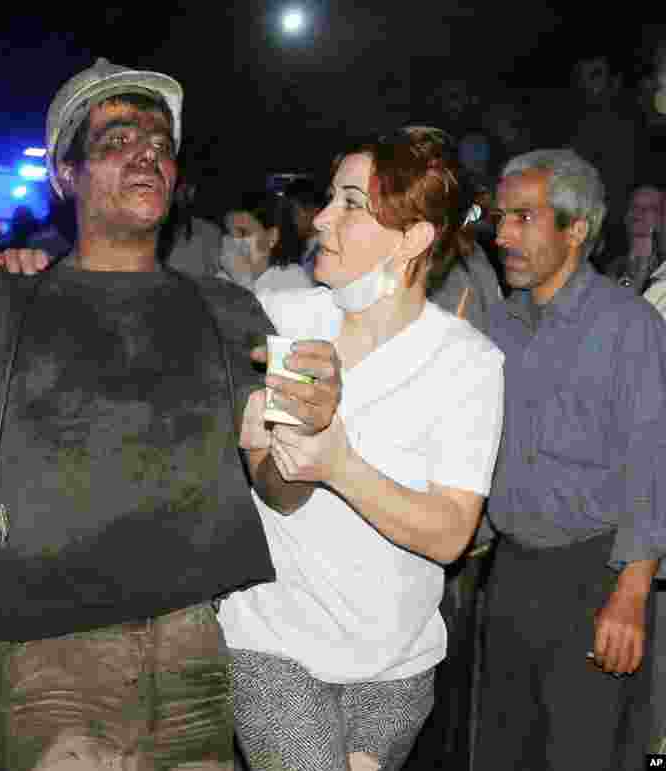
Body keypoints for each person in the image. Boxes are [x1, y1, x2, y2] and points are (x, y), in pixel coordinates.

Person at [0, 57, 341, 771]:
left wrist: (310, 430)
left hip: (197, 659)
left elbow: (281, 486)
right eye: (118, 140)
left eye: (162, 144)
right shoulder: (6, 299)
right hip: (50, 665)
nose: (148, 153)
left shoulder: (228, 311)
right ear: (65, 174)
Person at [217, 126, 506, 771]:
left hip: (397, 667)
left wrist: (342, 466)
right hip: (275, 643)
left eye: (351, 203)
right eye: (330, 198)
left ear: (413, 238)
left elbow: (451, 535)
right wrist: (279, 449)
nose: (321, 218)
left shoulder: (467, 363)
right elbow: (274, 492)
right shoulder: (283, 317)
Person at [473, 149, 666, 771]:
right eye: (502, 218)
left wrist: (632, 592)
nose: (502, 234)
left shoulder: (627, 326)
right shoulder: (499, 325)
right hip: (509, 578)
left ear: (576, 229)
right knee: (504, 752)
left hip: (595, 579)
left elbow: (652, 457)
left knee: (584, 755)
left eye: (523, 218)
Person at [218, 192, 315, 293]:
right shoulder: (219, 281)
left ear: (272, 236)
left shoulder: (293, 279)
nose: (231, 242)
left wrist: (243, 280)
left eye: (243, 232)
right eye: (228, 233)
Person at [600, 182, 665, 293]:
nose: (639, 212)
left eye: (651, 208)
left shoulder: (662, 269)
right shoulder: (610, 263)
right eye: (633, 206)